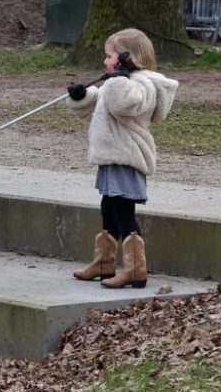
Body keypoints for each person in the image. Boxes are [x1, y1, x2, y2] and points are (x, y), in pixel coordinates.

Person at [66, 28, 178, 289]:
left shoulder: (143, 84)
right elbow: (103, 101)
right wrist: (82, 96)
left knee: (123, 211)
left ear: (129, 57)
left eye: (109, 56)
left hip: (127, 156)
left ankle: (136, 270)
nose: (105, 62)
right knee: (108, 207)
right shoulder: (120, 81)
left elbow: (122, 104)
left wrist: (117, 78)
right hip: (111, 156)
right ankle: (104, 263)